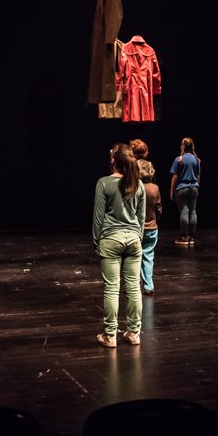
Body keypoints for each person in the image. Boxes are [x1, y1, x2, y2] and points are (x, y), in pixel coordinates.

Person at [93, 142, 145, 347]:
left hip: (111, 240)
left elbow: (98, 218)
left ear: (113, 160)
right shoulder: (138, 184)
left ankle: (110, 335)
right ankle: (134, 333)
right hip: (133, 240)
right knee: (133, 288)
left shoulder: (104, 183)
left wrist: (97, 242)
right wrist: (138, 237)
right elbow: (141, 218)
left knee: (112, 288)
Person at [137, 158, 162, 295]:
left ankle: (133, 286)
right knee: (148, 257)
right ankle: (148, 286)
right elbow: (159, 209)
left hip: (137, 229)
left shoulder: (135, 187)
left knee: (133, 258)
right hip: (152, 228)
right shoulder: (155, 188)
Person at [169, 137, 201, 246]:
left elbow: (175, 176)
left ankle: (184, 237)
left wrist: (171, 190)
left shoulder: (179, 159)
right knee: (193, 211)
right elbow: (198, 175)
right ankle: (191, 237)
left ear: (182, 146)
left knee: (184, 212)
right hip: (194, 187)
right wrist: (197, 186)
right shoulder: (196, 160)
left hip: (182, 188)